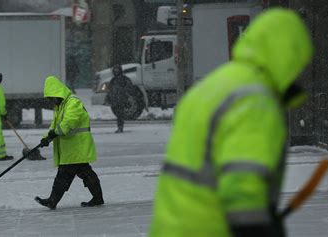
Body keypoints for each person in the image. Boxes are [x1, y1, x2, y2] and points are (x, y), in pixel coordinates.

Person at [150, 8, 312, 237]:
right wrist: (259, 228)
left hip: (172, 226)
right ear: (289, 54)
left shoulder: (215, 84)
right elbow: (243, 181)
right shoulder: (255, 99)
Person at [34, 76, 104, 209]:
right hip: (71, 148)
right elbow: (54, 126)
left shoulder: (73, 102)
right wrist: (46, 137)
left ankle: (53, 201)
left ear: (57, 93)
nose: (51, 101)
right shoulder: (60, 106)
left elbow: (69, 122)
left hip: (77, 147)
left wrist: (55, 133)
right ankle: (97, 198)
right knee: (84, 174)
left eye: (52, 98)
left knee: (66, 175)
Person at [107, 63, 134, 133]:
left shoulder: (124, 79)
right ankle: (120, 127)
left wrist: (126, 95)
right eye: (115, 70)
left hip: (122, 100)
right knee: (118, 114)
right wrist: (109, 99)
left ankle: (120, 127)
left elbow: (129, 88)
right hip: (115, 100)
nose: (116, 71)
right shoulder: (113, 80)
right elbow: (110, 90)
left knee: (120, 115)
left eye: (117, 69)